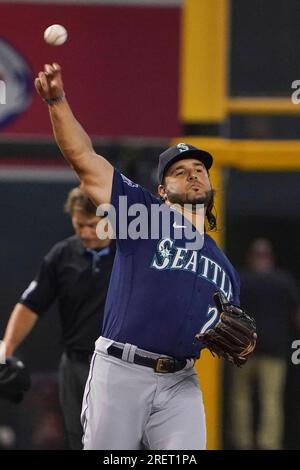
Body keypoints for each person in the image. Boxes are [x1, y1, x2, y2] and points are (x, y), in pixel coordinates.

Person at [34, 62, 245, 450]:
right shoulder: (143, 216)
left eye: (200, 169)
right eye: (180, 171)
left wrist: (244, 346)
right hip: (122, 370)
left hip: (181, 382)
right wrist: (57, 101)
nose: (194, 174)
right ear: (163, 190)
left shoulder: (225, 268)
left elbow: (234, 335)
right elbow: (85, 159)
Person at [2, 187, 115, 449]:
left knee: (120, 441)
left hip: (120, 365)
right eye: (79, 225)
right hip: (76, 363)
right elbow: (31, 305)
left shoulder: (132, 255)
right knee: (78, 439)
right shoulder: (62, 255)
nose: (85, 232)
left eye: (92, 225)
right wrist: (5, 349)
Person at [229, 238, 300, 450]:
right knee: (272, 399)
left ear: (251, 256)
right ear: (271, 257)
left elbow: (228, 313)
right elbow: (297, 316)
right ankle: (268, 444)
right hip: (275, 349)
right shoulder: (284, 281)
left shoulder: (241, 279)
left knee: (240, 398)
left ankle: (242, 442)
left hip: (243, 349)